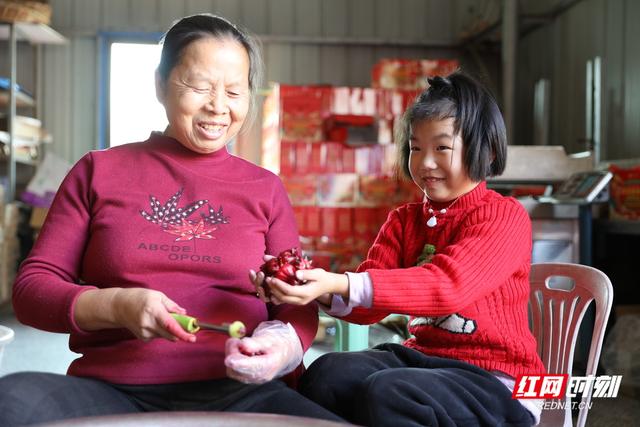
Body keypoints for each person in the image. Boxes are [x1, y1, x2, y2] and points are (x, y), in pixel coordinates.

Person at [0, 14, 344, 426]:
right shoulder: (99, 171)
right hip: (111, 389)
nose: (218, 106)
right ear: (160, 84)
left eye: (235, 91)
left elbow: (297, 299)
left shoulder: (265, 188)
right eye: (199, 87)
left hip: (241, 391)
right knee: (12, 402)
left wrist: (282, 343)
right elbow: (32, 290)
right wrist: (113, 304)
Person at [255, 72, 546, 426]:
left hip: (498, 380)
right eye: (416, 147)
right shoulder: (405, 220)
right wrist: (308, 286)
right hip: (426, 361)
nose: (424, 163)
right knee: (327, 374)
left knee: (390, 392)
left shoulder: (503, 216)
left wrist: (337, 282)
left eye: (442, 148)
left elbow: (447, 285)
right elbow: (366, 306)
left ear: (487, 150)